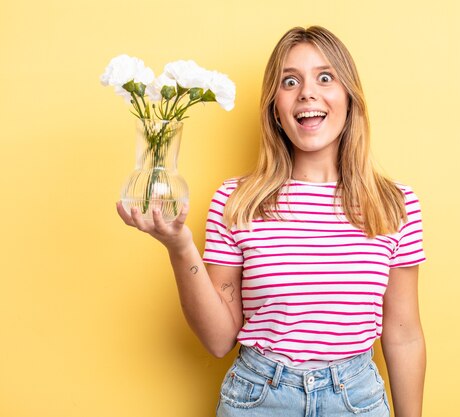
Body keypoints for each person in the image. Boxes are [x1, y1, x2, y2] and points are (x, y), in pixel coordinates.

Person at [117, 25, 426, 417]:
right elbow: (217, 340)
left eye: (325, 77)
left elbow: (404, 335)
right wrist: (180, 247)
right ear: (275, 108)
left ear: (349, 97)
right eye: (290, 81)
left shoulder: (394, 205)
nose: (307, 93)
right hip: (258, 399)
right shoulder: (238, 200)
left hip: (357, 401)